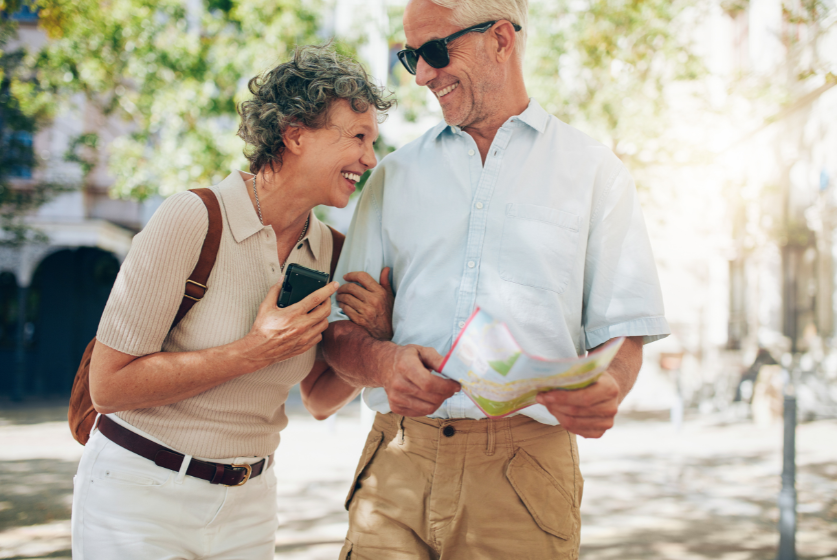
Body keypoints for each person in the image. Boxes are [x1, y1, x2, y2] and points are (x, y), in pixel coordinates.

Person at [322, 1, 671, 558]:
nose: (423, 75)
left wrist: (610, 387)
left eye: (437, 51)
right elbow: (339, 334)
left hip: (524, 477)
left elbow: (624, 333)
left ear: (502, 40)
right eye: (412, 56)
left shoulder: (594, 172)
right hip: (396, 465)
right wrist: (385, 363)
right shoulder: (392, 177)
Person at [71, 45, 395, 560]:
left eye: (372, 141)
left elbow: (319, 399)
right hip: (138, 496)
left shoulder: (331, 250)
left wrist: (377, 335)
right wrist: (253, 351)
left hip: (250, 504)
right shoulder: (193, 219)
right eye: (357, 138)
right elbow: (108, 387)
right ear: (294, 134)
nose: (370, 159)